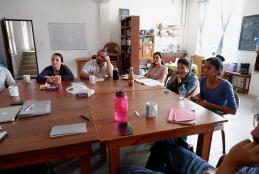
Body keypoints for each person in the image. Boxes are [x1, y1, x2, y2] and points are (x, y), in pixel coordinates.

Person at [120, 115, 259, 174]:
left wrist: (230, 163)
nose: (253, 132)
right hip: (213, 170)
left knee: (124, 170)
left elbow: (231, 108)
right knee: (164, 142)